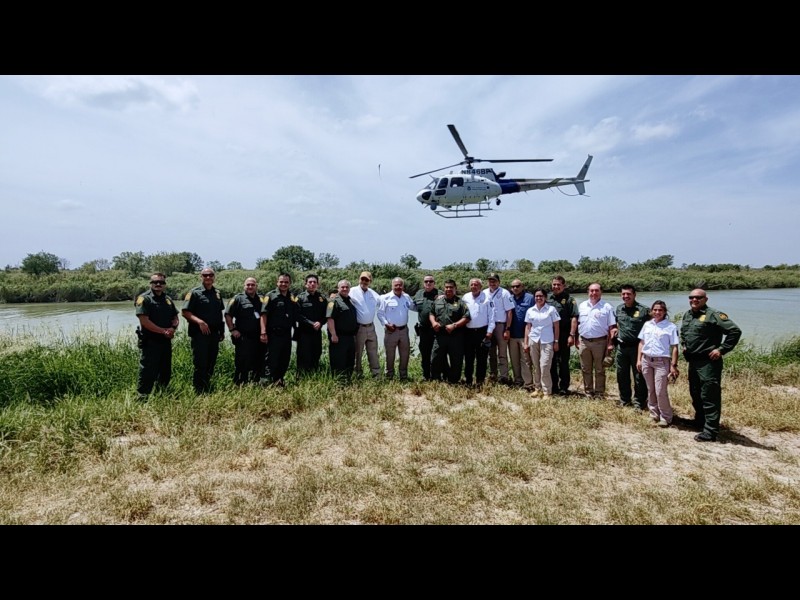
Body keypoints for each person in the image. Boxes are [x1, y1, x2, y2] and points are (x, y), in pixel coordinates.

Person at [680, 289, 742, 442]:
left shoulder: (713, 315)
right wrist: (684, 344)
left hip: (708, 363)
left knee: (709, 395)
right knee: (695, 393)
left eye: (698, 297)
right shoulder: (688, 315)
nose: (694, 300)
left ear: (705, 299)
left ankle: (710, 431)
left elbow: (734, 331)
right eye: (691, 297)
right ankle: (700, 421)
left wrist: (721, 349)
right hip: (693, 361)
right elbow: (684, 332)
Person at [135, 272, 179, 399]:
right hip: (150, 341)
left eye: (161, 282)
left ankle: (162, 394)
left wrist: (172, 329)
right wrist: (163, 331)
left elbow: (175, 317)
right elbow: (144, 321)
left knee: (165, 369)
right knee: (148, 369)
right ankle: (142, 396)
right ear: (151, 284)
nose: (158, 284)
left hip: (165, 341)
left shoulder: (167, 299)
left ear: (165, 284)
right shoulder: (144, 299)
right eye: (155, 282)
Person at [636, 300, 680, 427]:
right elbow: (641, 343)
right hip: (646, 360)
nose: (657, 312)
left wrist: (673, 365)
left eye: (660, 310)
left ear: (665, 312)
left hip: (661, 362)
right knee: (651, 389)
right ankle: (653, 414)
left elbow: (675, 347)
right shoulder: (647, 324)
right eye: (655, 310)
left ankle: (666, 417)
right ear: (651, 311)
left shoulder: (671, 327)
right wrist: (639, 359)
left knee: (660, 390)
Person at [182, 268, 225, 394]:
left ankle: (207, 386)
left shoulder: (217, 293)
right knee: (200, 362)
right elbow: (185, 312)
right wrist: (199, 322)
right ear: (201, 277)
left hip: (214, 333)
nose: (208, 277)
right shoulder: (194, 293)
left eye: (210, 275)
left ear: (214, 277)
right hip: (199, 333)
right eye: (205, 275)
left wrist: (222, 331)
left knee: (212, 361)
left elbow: (219, 313)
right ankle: (198, 389)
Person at [576, 282, 617, 398]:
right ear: (588, 292)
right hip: (584, 341)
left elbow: (612, 327)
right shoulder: (582, 305)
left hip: (600, 342)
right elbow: (578, 323)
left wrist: (610, 344)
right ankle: (588, 392)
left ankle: (599, 393)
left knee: (600, 369)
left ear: (601, 292)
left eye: (596, 290)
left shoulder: (607, 307)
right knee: (585, 368)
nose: (594, 293)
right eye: (591, 290)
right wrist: (576, 339)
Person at [615, 284, 651, 409]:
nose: (626, 296)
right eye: (623, 294)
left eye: (628, 294)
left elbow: (653, 326)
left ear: (634, 295)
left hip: (637, 348)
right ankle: (624, 400)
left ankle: (639, 402)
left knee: (639, 376)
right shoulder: (619, 309)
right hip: (622, 347)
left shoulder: (644, 310)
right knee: (621, 375)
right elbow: (618, 324)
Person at [260, 272, 298, 387]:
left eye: (286, 282)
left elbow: (294, 316)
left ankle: (279, 382)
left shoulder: (291, 297)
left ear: (290, 283)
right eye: (281, 282)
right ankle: (266, 384)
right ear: (277, 282)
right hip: (273, 334)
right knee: (271, 359)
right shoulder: (270, 296)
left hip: (286, 334)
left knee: (284, 359)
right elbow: (263, 315)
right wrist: (263, 332)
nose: (283, 284)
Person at [430, 279, 471, 383]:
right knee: (436, 358)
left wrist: (454, 325)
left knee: (456, 360)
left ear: (455, 289)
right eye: (446, 287)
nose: (448, 289)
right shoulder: (438, 301)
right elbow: (431, 313)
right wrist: (433, 322)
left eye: (451, 287)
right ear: (444, 288)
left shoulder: (460, 302)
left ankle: (454, 381)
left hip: (455, 336)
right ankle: (436, 379)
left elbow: (467, 317)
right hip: (440, 335)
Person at [225, 277, 264, 385]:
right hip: (243, 337)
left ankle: (255, 384)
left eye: (253, 285)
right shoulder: (238, 298)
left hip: (258, 337)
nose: (250, 287)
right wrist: (232, 330)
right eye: (248, 285)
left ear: (256, 286)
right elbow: (228, 315)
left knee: (257, 362)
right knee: (242, 362)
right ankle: (239, 385)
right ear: (244, 286)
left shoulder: (261, 299)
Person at [523, 287, 561, 396]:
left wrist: (556, 341)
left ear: (545, 297)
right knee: (536, 365)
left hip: (547, 341)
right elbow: (528, 327)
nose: (538, 298)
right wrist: (526, 343)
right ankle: (537, 388)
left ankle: (547, 391)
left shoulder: (551, 310)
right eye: (536, 296)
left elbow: (556, 326)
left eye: (541, 296)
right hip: (534, 340)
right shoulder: (530, 310)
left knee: (544, 366)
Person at [377, 277, 417, 381]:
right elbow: (380, 314)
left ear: (403, 286)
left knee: (405, 354)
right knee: (390, 355)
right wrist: (386, 324)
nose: (398, 287)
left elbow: (414, 307)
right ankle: (389, 377)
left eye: (400, 285)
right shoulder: (385, 298)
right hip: (391, 331)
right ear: (392, 286)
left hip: (404, 330)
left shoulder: (406, 297)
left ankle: (403, 376)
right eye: (396, 285)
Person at [547, 276, 579, 396]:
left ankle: (564, 387)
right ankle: (553, 385)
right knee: (551, 361)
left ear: (563, 286)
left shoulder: (570, 299)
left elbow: (574, 318)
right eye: (554, 284)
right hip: (549, 335)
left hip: (564, 335)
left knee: (563, 362)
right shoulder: (548, 298)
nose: (556, 286)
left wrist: (572, 335)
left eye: (558, 284)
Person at [462, 278, 494, 387]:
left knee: (482, 358)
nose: (474, 286)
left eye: (476, 285)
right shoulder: (465, 297)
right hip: (468, 332)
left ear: (480, 286)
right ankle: (468, 381)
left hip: (482, 332)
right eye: (472, 284)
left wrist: (489, 331)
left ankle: (480, 381)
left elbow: (491, 316)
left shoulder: (487, 298)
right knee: (468, 358)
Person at [349, 271, 381, 378]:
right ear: (359, 279)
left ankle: (376, 375)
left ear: (370, 281)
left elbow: (383, 302)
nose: (364, 281)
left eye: (366, 280)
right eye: (362, 279)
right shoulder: (352, 291)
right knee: (357, 353)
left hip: (371, 327)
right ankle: (357, 374)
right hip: (359, 328)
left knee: (373, 352)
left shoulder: (373, 293)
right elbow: (340, 297)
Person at [295, 273, 328, 376]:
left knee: (316, 354)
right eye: (310, 282)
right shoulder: (300, 298)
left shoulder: (322, 298)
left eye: (314, 282)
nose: (312, 284)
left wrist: (321, 322)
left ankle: (314, 378)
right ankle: (301, 378)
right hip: (304, 333)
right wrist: (311, 323)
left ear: (318, 284)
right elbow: (297, 315)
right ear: (306, 284)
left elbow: (326, 314)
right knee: (303, 356)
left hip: (317, 333)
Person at [326, 280, 358, 380]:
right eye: (342, 287)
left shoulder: (350, 301)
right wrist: (333, 334)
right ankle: (338, 383)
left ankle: (348, 381)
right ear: (338, 288)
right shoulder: (333, 301)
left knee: (350, 361)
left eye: (347, 287)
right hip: (339, 337)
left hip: (350, 337)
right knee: (338, 361)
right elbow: (330, 319)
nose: (345, 289)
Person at [486, 273, 514, 384]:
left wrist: (507, 328)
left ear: (499, 282)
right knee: (491, 352)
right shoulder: (484, 293)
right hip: (489, 326)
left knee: (502, 353)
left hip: (500, 325)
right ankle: (493, 375)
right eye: (490, 281)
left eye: (494, 281)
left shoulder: (505, 293)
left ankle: (504, 376)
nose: (492, 283)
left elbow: (509, 311)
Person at [508, 278, 534, 389]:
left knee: (526, 360)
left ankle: (528, 383)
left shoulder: (530, 298)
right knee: (514, 360)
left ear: (522, 286)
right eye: (513, 286)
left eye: (517, 286)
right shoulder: (509, 298)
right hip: (512, 335)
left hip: (525, 335)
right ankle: (518, 381)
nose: (515, 288)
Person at [413, 275, 440, 381]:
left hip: (437, 330)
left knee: (437, 354)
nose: (428, 283)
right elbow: (412, 306)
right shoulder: (418, 294)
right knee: (425, 354)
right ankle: (426, 376)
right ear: (423, 283)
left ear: (434, 283)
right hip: (423, 330)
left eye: (431, 281)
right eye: (426, 281)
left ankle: (436, 376)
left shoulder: (441, 294)